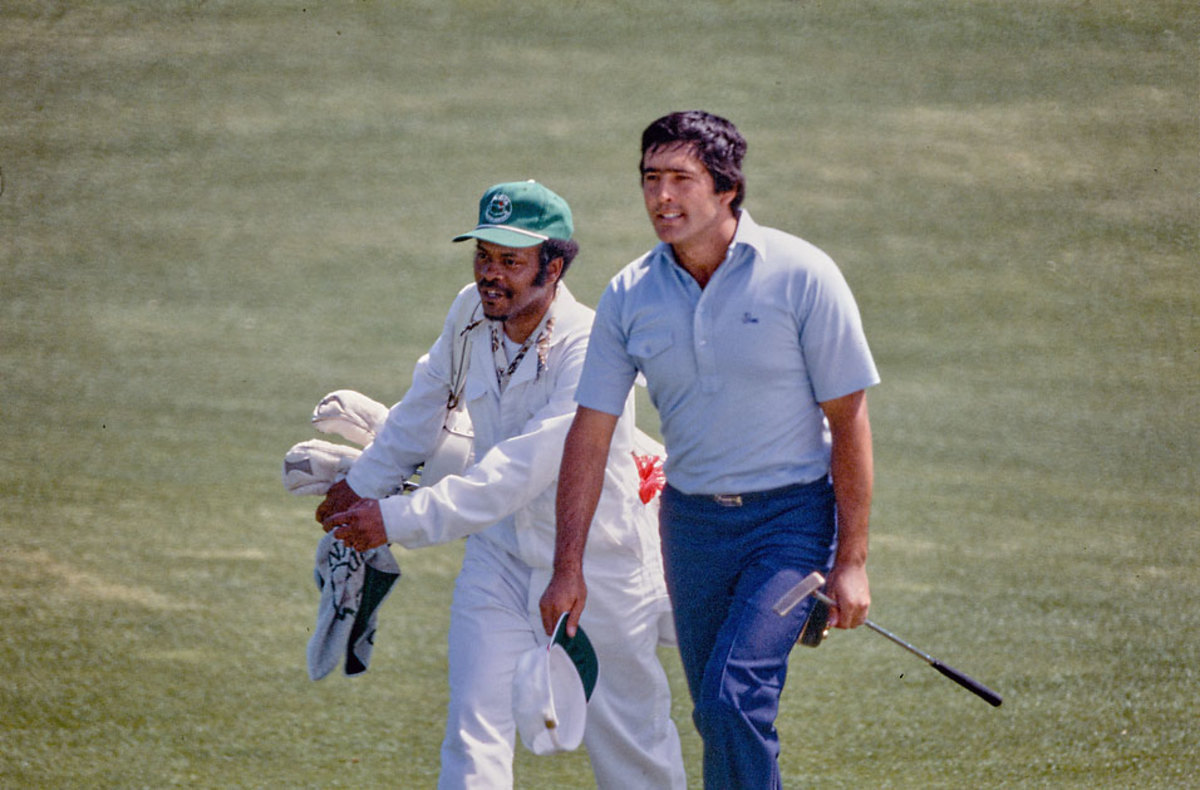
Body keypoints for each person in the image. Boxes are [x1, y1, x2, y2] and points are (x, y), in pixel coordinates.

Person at [541, 111, 880, 789]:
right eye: (649, 179)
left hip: (789, 524)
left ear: (727, 189)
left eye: (680, 179)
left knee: (733, 700)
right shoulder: (630, 294)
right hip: (691, 527)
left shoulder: (803, 274)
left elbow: (849, 422)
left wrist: (852, 561)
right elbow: (590, 434)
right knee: (716, 710)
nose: (661, 197)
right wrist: (566, 567)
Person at [317, 180, 686, 790]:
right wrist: (362, 486)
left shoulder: (592, 345)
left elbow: (515, 472)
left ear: (556, 265)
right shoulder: (469, 311)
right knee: (472, 732)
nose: (492, 274)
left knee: (633, 753)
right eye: (483, 256)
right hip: (500, 560)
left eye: (510, 261)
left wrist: (394, 519)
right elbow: (423, 405)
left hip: (597, 570)